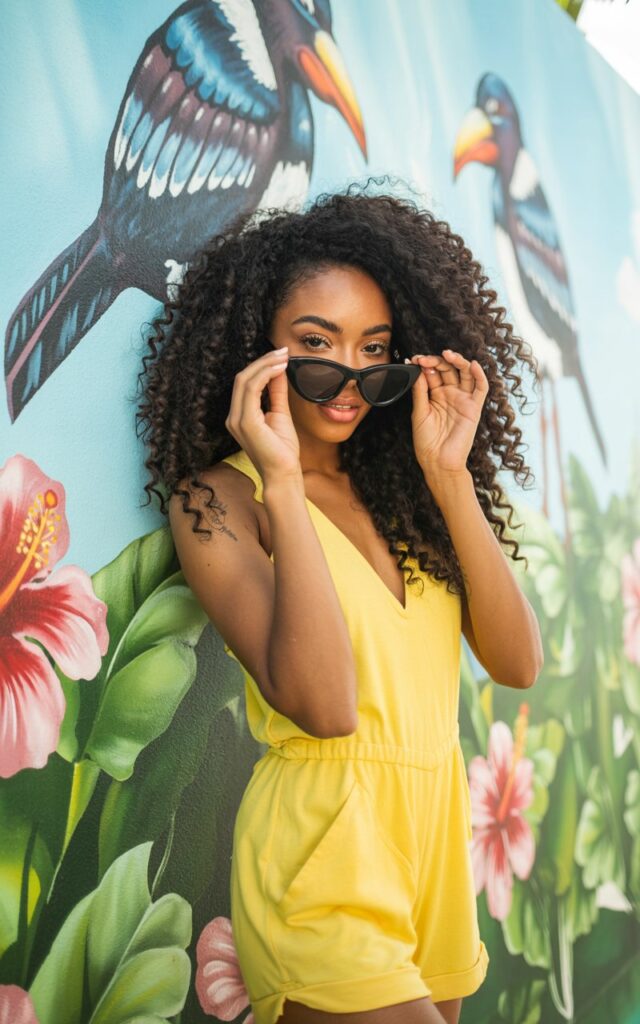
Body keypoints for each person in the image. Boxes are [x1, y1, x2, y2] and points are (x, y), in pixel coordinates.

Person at [136, 179, 544, 1024]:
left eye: (375, 350)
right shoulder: (218, 503)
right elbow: (323, 706)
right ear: (260, 349)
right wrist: (283, 481)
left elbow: (518, 663)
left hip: (431, 839)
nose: (350, 378)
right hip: (323, 850)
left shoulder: (405, 491)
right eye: (317, 344)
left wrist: (449, 476)